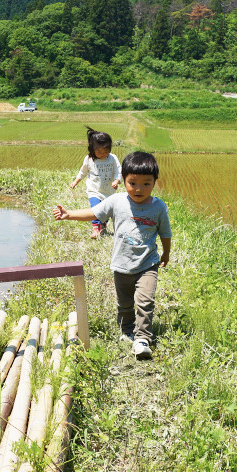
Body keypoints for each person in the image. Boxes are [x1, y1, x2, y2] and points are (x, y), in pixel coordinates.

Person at [54, 151, 172, 360]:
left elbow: (165, 233)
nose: (139, 189)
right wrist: (69, 214)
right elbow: (94, 213)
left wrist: (165, 254)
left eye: (146, 184)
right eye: (133, 182)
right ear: (123, 180)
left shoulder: (158, 207)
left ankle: (143, 339)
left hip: (148, 263)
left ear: (155, 182)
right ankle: (127, 330)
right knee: (124, 303)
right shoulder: (117, 201)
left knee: (145, 301)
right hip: (121, 264)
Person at [70, 127, 122, 239]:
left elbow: (119, 170)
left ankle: (102, 225)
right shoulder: (89, 159)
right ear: (92, 149)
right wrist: (76, 181)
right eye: (99, 151)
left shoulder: (112, 158)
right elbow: (83, 172)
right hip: (94, 190)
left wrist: (117, 180)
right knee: (95, 208)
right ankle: (95, 229)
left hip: (108, 191)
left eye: (106, 151)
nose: (103, 154)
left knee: (106, 211)